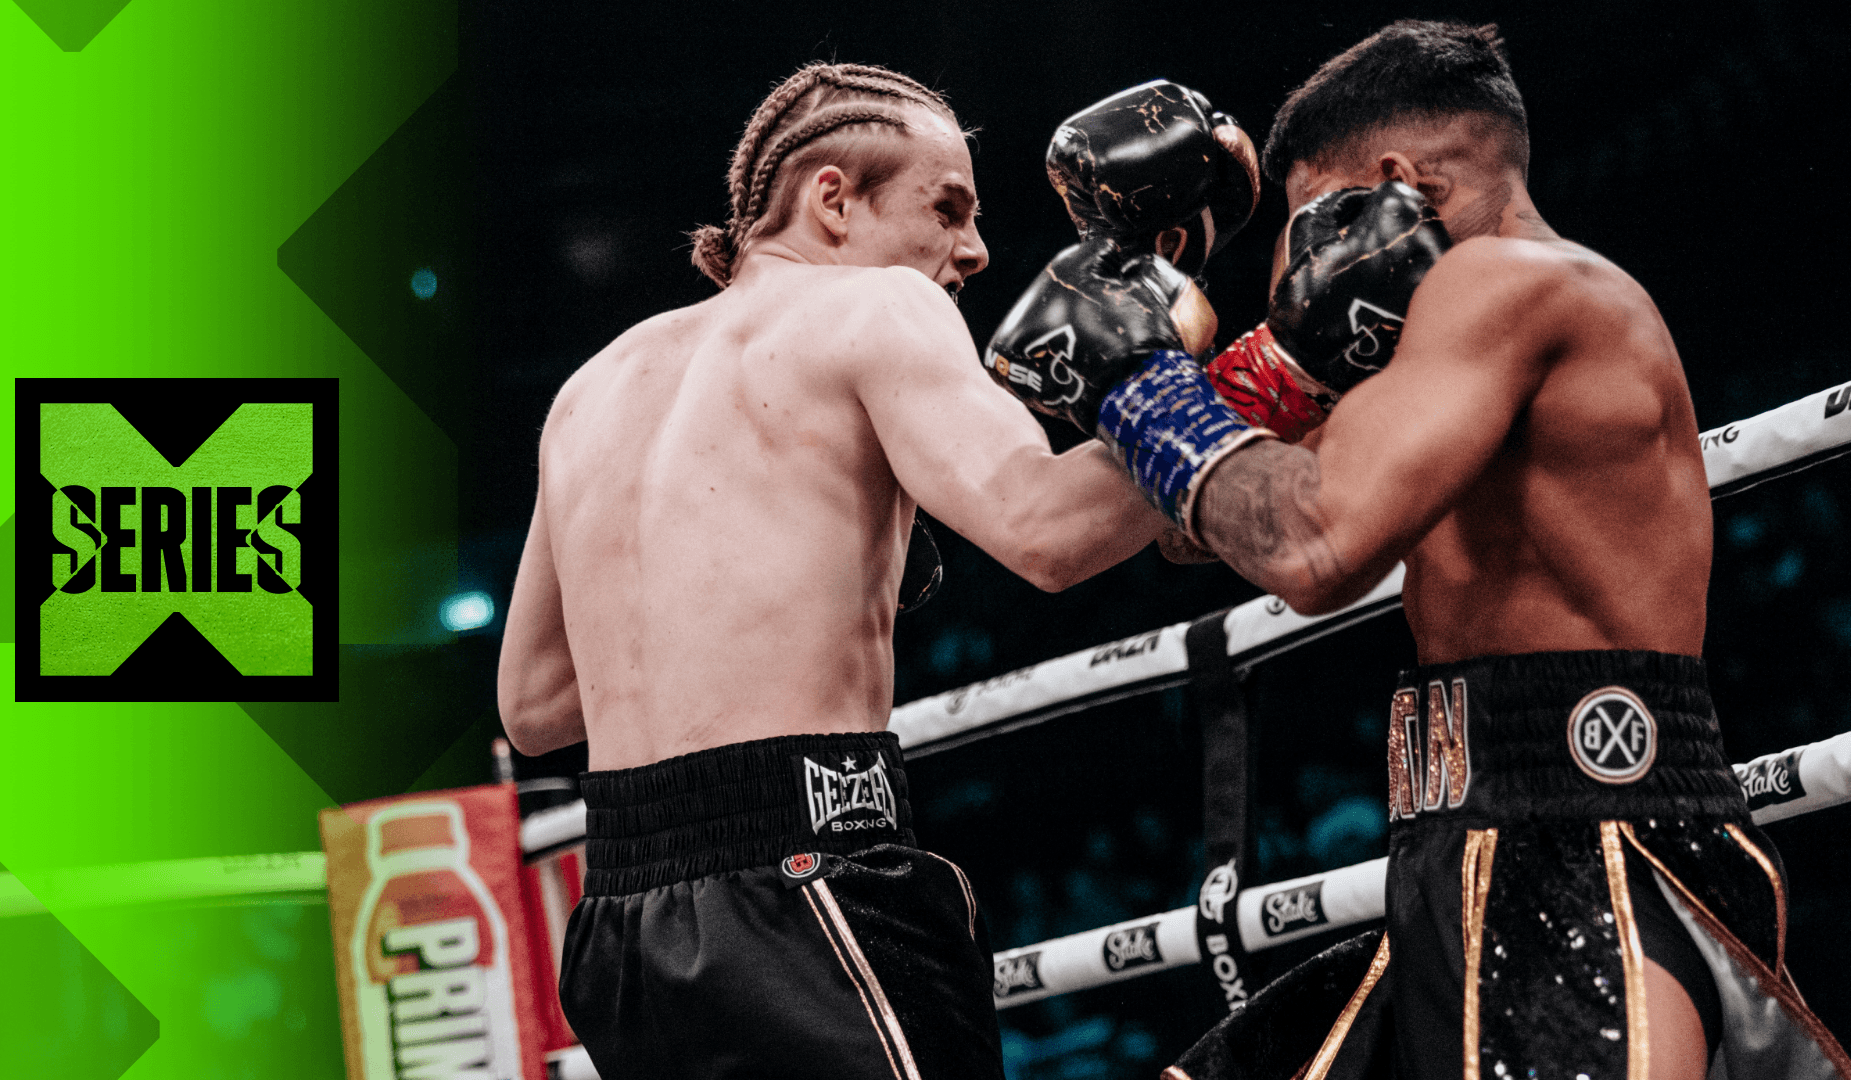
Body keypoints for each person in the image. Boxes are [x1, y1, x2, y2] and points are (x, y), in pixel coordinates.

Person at [983, 22, 1850, 1080]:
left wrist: (1140, 386)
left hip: (1590, 829)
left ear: (1399, 186)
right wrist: (1268, 367)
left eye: (1310, 222)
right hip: (1462, 836)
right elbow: (1196, 528)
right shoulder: (1432, 350)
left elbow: (1310, 548)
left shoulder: (1509, 284)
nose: (1300, 268)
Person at [494, 64, 1257, 1080]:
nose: (975, 250)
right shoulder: (878, 305)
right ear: (833, 199)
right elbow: (1048, 532)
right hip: (804, 882)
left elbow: (535, 707)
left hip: (623, 928)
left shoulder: (591, 386)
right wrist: (1263, 380)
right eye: (946, 208)